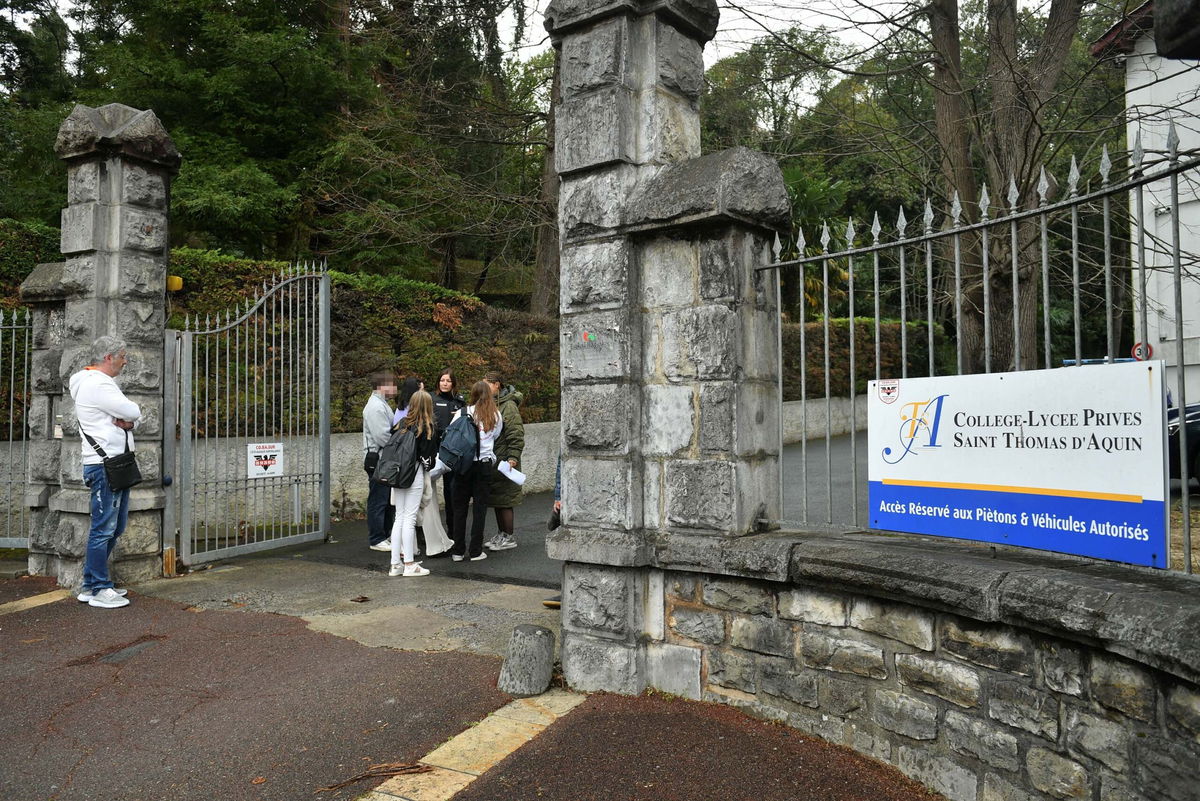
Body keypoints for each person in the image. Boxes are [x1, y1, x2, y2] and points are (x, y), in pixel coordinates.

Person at [69, 336, 143, 609]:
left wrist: (129, 421)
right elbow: (133, 410)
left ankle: (90, 584)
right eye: (122, 355)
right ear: (109, 357)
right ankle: (100, 587)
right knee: (104, 529)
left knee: (115, 526)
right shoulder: (97, 383)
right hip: (104, 465)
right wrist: (130, 418)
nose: (125, 361)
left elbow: (130, 417)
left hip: (112, 463)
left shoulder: (94, 383)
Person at [388, 390, 440, 577]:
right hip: (414, 474)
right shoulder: (427, 427)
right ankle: (409, 563)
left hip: (397, 474)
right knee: (409, 519)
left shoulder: (401, 424)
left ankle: (396, 564)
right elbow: (428, 460)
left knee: (399, 518)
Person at [450, 380, 502, 562]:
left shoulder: (462, 413)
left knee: (459, 508)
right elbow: (496, 436)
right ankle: (475, 550)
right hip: (483, 465)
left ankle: (457, 550)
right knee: (480, 509)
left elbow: (452, 434)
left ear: (472, 394)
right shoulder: (495, 415)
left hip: (463, 465)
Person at [484, 372, 525, 552]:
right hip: (495, 460)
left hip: (506, 460)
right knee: (498, 500)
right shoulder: (492, 404)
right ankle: (501, 533)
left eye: (488, 384)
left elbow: (515, 433)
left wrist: (513, 457)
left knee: (506, 500)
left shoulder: (508, 406)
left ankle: (508, 536)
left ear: (497, 385)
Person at [363, 372, 397, 552]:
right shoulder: (376, 407)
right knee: (379, 499)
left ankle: (384, 534)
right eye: (392, 385)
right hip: (379, 459)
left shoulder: (380, 404)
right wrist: (397, 446)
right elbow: (382, 436)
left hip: (383, 459)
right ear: (382, 386)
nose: (395, 389)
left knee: (384, 499)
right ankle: (377, 538)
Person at [432, 367, 465, 527]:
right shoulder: (431, 399)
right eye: (442, 380)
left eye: (448, 381)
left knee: (453, 491)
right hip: (435, 451)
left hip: (454, 453)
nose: (445, 383)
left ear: (453, 383)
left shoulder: (459, 401)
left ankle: (453, 529)